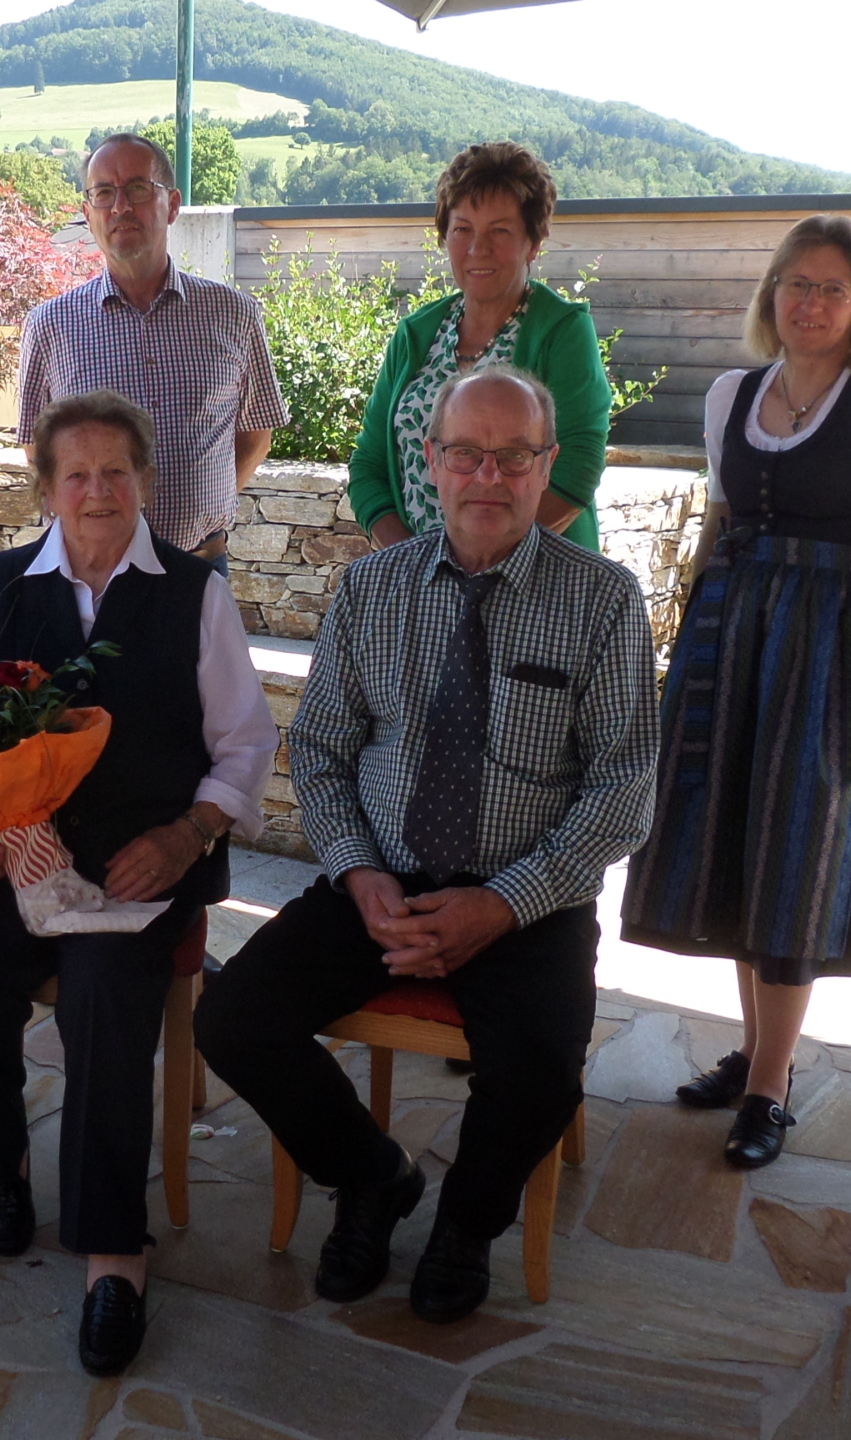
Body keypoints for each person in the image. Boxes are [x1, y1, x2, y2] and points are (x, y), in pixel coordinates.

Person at [196, 366, 656, 1325]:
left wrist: (503, 904)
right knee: (233, 1017)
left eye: (513, 456)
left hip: (526, 895)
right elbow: (322, 751)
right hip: (382, 881)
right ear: (431, 463)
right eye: (466, 454)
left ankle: (465, 1225)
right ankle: (374, 1178)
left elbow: (622, 791)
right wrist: (359, 874)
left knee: (542, 1065)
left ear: (548, 466)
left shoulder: (604, 601)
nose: (489, 476)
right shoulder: (371, 588)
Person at [0, 390, 277, 1374]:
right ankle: (2, 1163)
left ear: (145, 483)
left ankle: (113, 1254)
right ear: (46, 487)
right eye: (76, 474)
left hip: (141, 866)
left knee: (104, 998)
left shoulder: (193, 592)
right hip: (20, 857)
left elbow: (245, 742)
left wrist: (186, 833)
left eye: (115, 472)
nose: (96, 492)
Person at [620, 215, 851, 1168]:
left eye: (834, 287)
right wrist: (692, 648)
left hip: (823, 649)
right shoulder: (733, 395)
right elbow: (718, 529)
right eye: (798, 283)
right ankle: (760, 1054)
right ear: (772, 294)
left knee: (796, 860)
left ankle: (769, 1089)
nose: (812, 302)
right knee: (735, 846)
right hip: (730, 638)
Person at [16, 132, 287, 566]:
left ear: (172, 205)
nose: (120, 206)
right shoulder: (50, 325)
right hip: (93, 574)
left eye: (138, 188)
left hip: (199, 566)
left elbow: (256, 430)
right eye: (104, 193)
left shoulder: (234, 314)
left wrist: (209, 502)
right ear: (88, 214)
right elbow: (37, 446)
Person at [346, 142, 614, 553]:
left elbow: (579, 464)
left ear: (533, 243)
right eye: (462, 230)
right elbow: (368, 466)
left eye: (499, 231)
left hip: (534, 576)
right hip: (417, 579)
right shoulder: (415, 334)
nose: (478, 248)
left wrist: (486, 565)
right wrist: (411, 562)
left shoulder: (562, 330)